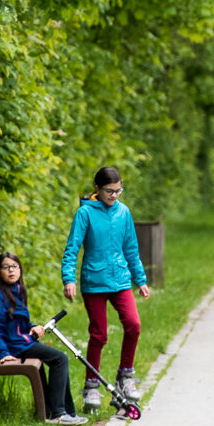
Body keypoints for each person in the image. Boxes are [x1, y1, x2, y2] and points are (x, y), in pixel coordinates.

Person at [62, 166, 151, 412]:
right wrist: (69, 279)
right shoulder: (85, 213)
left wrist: (140, 280)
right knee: (99, 334)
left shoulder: (123, 213)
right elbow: (72, 249)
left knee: (133, 325)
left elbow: (131, 249)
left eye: (118, 191)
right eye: (110, 191)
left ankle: (125, 376)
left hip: (120, 280)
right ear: (97, 189)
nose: (114, 196)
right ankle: (91, 386)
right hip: (94, 281)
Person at [0, 252, 87, 425]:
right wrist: (2, 353)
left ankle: (61, 412)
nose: (11, 271)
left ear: (20, 270)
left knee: (54, 359)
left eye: (14, 267)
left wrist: (32, 327)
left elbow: (18, 322)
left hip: (22, 341)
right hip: (15, 347)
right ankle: (58, 413)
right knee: (60, 359)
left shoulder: (17, 290)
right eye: (5, 267)